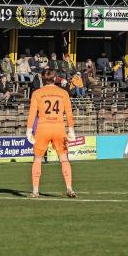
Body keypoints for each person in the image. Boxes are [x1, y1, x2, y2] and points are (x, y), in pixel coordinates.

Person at [25, 69, 77, 199]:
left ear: (43, 80)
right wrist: (71, 130)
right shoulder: (63, 93)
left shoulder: (37, 93)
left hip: (43, 128)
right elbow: (69, 113)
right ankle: (69, 188)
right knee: (64, 158)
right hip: (59, 127)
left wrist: (29, 130)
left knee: (37, 159)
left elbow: (32, 113)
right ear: (55, 79)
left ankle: (35, 191)